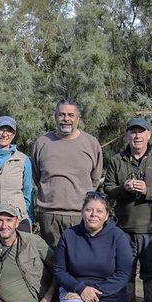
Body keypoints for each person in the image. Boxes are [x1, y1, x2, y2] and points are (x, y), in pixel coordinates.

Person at [103, 117, 152, 302]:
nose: (137, 136)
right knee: (126, 272)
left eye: (141, 132)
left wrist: (147, 191)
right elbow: (107, 188)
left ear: (149, 135)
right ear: (126, 136)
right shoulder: (117, 160)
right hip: (124, 228)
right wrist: (123, 188)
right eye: (133, 132)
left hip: (150, 229)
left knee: (150, 272)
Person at [54, 192, 134, 302]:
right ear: (82, 212)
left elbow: (124, 273)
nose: (93, 215)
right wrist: (80, 289)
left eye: (99, 211)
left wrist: (95, 291)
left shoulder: (119, 237)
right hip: (78, 293)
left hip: (111, 298)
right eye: (89, 209)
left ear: (107, 215)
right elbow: (59, 270)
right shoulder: (69, 235)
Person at [32, 98, 103, 247]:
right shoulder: (42, 143)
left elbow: (95, 179)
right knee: (53, 263)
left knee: (81, 261)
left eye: (70, 115)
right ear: (55, 117)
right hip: (49, 215)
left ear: (78, 118)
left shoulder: (91, 143)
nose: (66, 119)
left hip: (81, 215)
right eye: (61, 115)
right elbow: (37, 176)